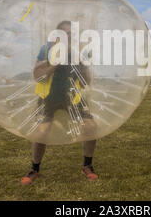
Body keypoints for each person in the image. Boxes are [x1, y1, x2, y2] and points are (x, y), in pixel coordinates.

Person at [21, 20, 98, 185]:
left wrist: (83, 67)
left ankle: (87, 165)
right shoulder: (47, 50)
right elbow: (37, 75)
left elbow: (86, 83)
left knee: (91, 126)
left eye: (71, 34)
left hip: (73, 96)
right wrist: (54, 64)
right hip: (49, 97)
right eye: (64, 34)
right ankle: (34, 169)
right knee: (41, 131)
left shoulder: (79, 53)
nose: (68, 37)